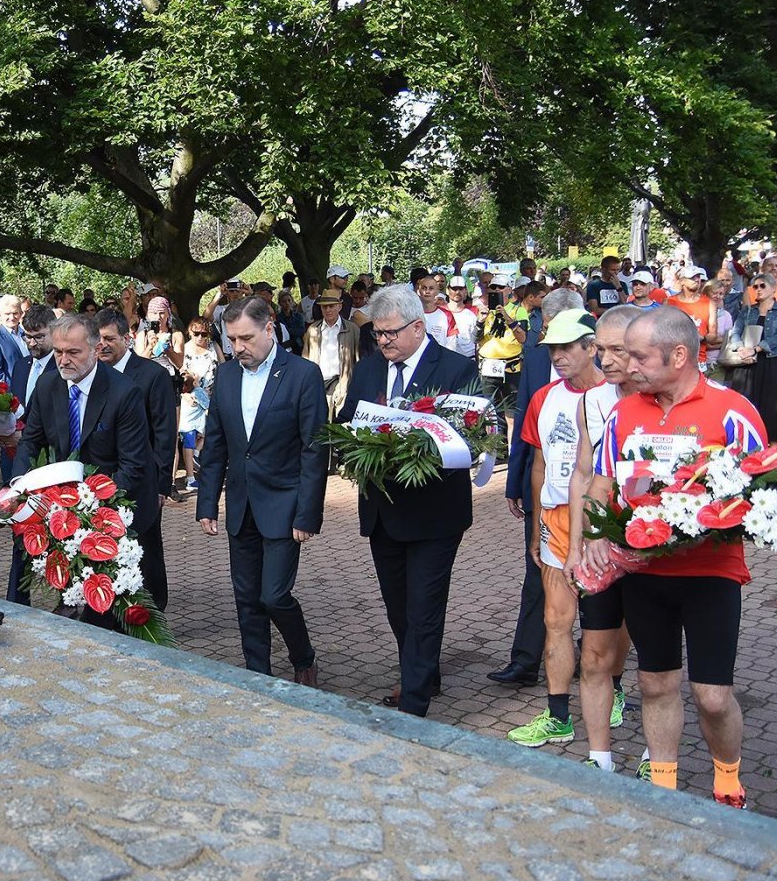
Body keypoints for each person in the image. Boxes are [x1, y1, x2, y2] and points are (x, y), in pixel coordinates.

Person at [583, 307, 766, 807]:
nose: (628, 366)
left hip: (710, 573)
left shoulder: (732, 410)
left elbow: (760, 494)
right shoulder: (624, 412)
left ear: (679, 355)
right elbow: (602, 482)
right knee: (655, 683)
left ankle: (728, 783)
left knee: (713, 696)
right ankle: (662, 794)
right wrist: (595, 533)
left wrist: (708, 516)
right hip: (644, 574)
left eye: (639, 357)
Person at [334, 285, 477, 715]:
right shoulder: (369, 369)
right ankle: (424, 672)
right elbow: (347, 420)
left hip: (435, 513)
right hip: (383, 511)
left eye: (390, 333)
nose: (382, 341)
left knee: (424, 607)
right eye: (377, 333)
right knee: (398, 606)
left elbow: (477, 434)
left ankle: (414, 703)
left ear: (418, 327)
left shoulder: (454, 369)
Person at [197, 296, 329, 687]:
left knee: (274, 596)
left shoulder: (302, 374)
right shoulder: (226, 376)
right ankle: (259, 677)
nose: (238, 347)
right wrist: (207, 503)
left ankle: (303, 656)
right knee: (246, 598)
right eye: (231, 339)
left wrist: (307, 513)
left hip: (285, 506)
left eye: (246, 338)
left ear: (269, 328)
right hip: (241, 506)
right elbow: (216, 443)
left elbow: (314, 450)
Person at [505, 308, 606, 749]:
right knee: (555, 619)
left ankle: (613, 690)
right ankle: (558, 715)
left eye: (566, 348)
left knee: (604, 625)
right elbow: (539, 464)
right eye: (552, 349)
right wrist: (535, 526)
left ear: (592, 348)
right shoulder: (544, 398)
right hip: (555, 520)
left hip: (604, 521)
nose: (558, 356)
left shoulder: (618, 395)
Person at [13, 314, 155, 627]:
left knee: (112, 616)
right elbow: (30, 443)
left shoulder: (124, 393)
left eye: (73, 352)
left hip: (115, 506)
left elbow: (132, 467)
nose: (63, 360)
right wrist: (18, 486)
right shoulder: (48, 385)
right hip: (63, 505)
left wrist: (87, 510)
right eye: (58, 352)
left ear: (95, 349)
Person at [564, 304, 647, 773]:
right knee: (594, 654)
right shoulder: (592, 400)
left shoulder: (663, 398)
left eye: (618, 349)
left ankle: (656, 755)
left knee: (653, 661)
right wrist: (575, 545)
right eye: (600, 348)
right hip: (602, 545)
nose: (606, 359)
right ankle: (600, 760)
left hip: (656, 545)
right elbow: (582, 474)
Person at [494, 289, 585, 687]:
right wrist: (513, 481)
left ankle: (589, 655)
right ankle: (525, 660)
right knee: (537, 574)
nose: (552, 344)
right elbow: (523, 425)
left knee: (592, 579)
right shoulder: (534, 357)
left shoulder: (602, 367)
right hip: (541, 485)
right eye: (547, 331)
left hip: (589, 495)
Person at [95, 307, 176, 612]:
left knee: (146, 546)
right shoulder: (92, 374)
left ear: (126, 338)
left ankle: (154, 608)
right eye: (97, 339)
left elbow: (164, 433)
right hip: (103, 478)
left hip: (144, 480)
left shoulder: (152, 375)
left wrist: (162, 484)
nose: (102, 345)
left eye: (109, 339)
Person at [5, 305, 57, 605]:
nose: (32, 343)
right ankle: (17, 599)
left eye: (39, 337)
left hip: (51, 462)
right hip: (20, 461)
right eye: (27, 337)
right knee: (20, 530)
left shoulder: (62, 367)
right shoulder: (21, 365)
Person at [726, 273, 777, 440]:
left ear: (773, 288)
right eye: (755, 286)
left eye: (762, 286)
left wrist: (755, 349)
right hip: (747, 361)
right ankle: (743, 439)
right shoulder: (747, 310)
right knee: (745, 400)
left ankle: (770, 439)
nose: (758, 289)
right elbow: (736, 331)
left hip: (772, 360)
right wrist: (741, 349)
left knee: (771, 401)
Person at [0, 294, 27, 483]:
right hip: (11, 401)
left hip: (30, 398)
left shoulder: (26, 334)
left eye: (15, 313)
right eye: (7, 313)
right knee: (10, 448)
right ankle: (9, 488)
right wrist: (11, 398)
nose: (12, 317)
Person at [178, 315, 223, 495]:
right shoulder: (184, 349)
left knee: (210, 432)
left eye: (204, 334)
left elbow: (224, 367)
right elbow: (178, 372)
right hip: (190, 397)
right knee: (189, 435)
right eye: (196, 333)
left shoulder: (213, 347)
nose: (200, 337)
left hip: (210, 397)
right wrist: (184, 393)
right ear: (189, 332)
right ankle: (190, 478)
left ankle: (197, 456)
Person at [300, 289, 359, 416]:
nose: (328, 310)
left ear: (339, 306)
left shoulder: (352, 329)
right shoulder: (313, 330)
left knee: (339, 419)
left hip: (342, 382)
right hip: (317, 382)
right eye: (324, 307)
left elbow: (358, 359)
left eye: (331, 306)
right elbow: (305, 358)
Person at [667, 265, 724, 366]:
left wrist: (702, 338)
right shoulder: (669, 302)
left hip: (698, 361)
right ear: (682, 281)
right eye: (692, 278)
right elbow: (661, 332)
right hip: (674, 359)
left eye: (698, 277)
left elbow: (713, 335)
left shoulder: (709, 303)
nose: (697, 280)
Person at [136, 296, 184, 390]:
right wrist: (150, 346)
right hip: (149, 381)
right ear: (148, 315)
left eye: (161, 313)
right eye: (154, 313)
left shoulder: (176, 335)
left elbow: (180, 364)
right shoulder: (142, 335)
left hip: (170, 381)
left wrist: (168, 350)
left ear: (168, 314)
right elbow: (139, 365)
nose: (158, 317)